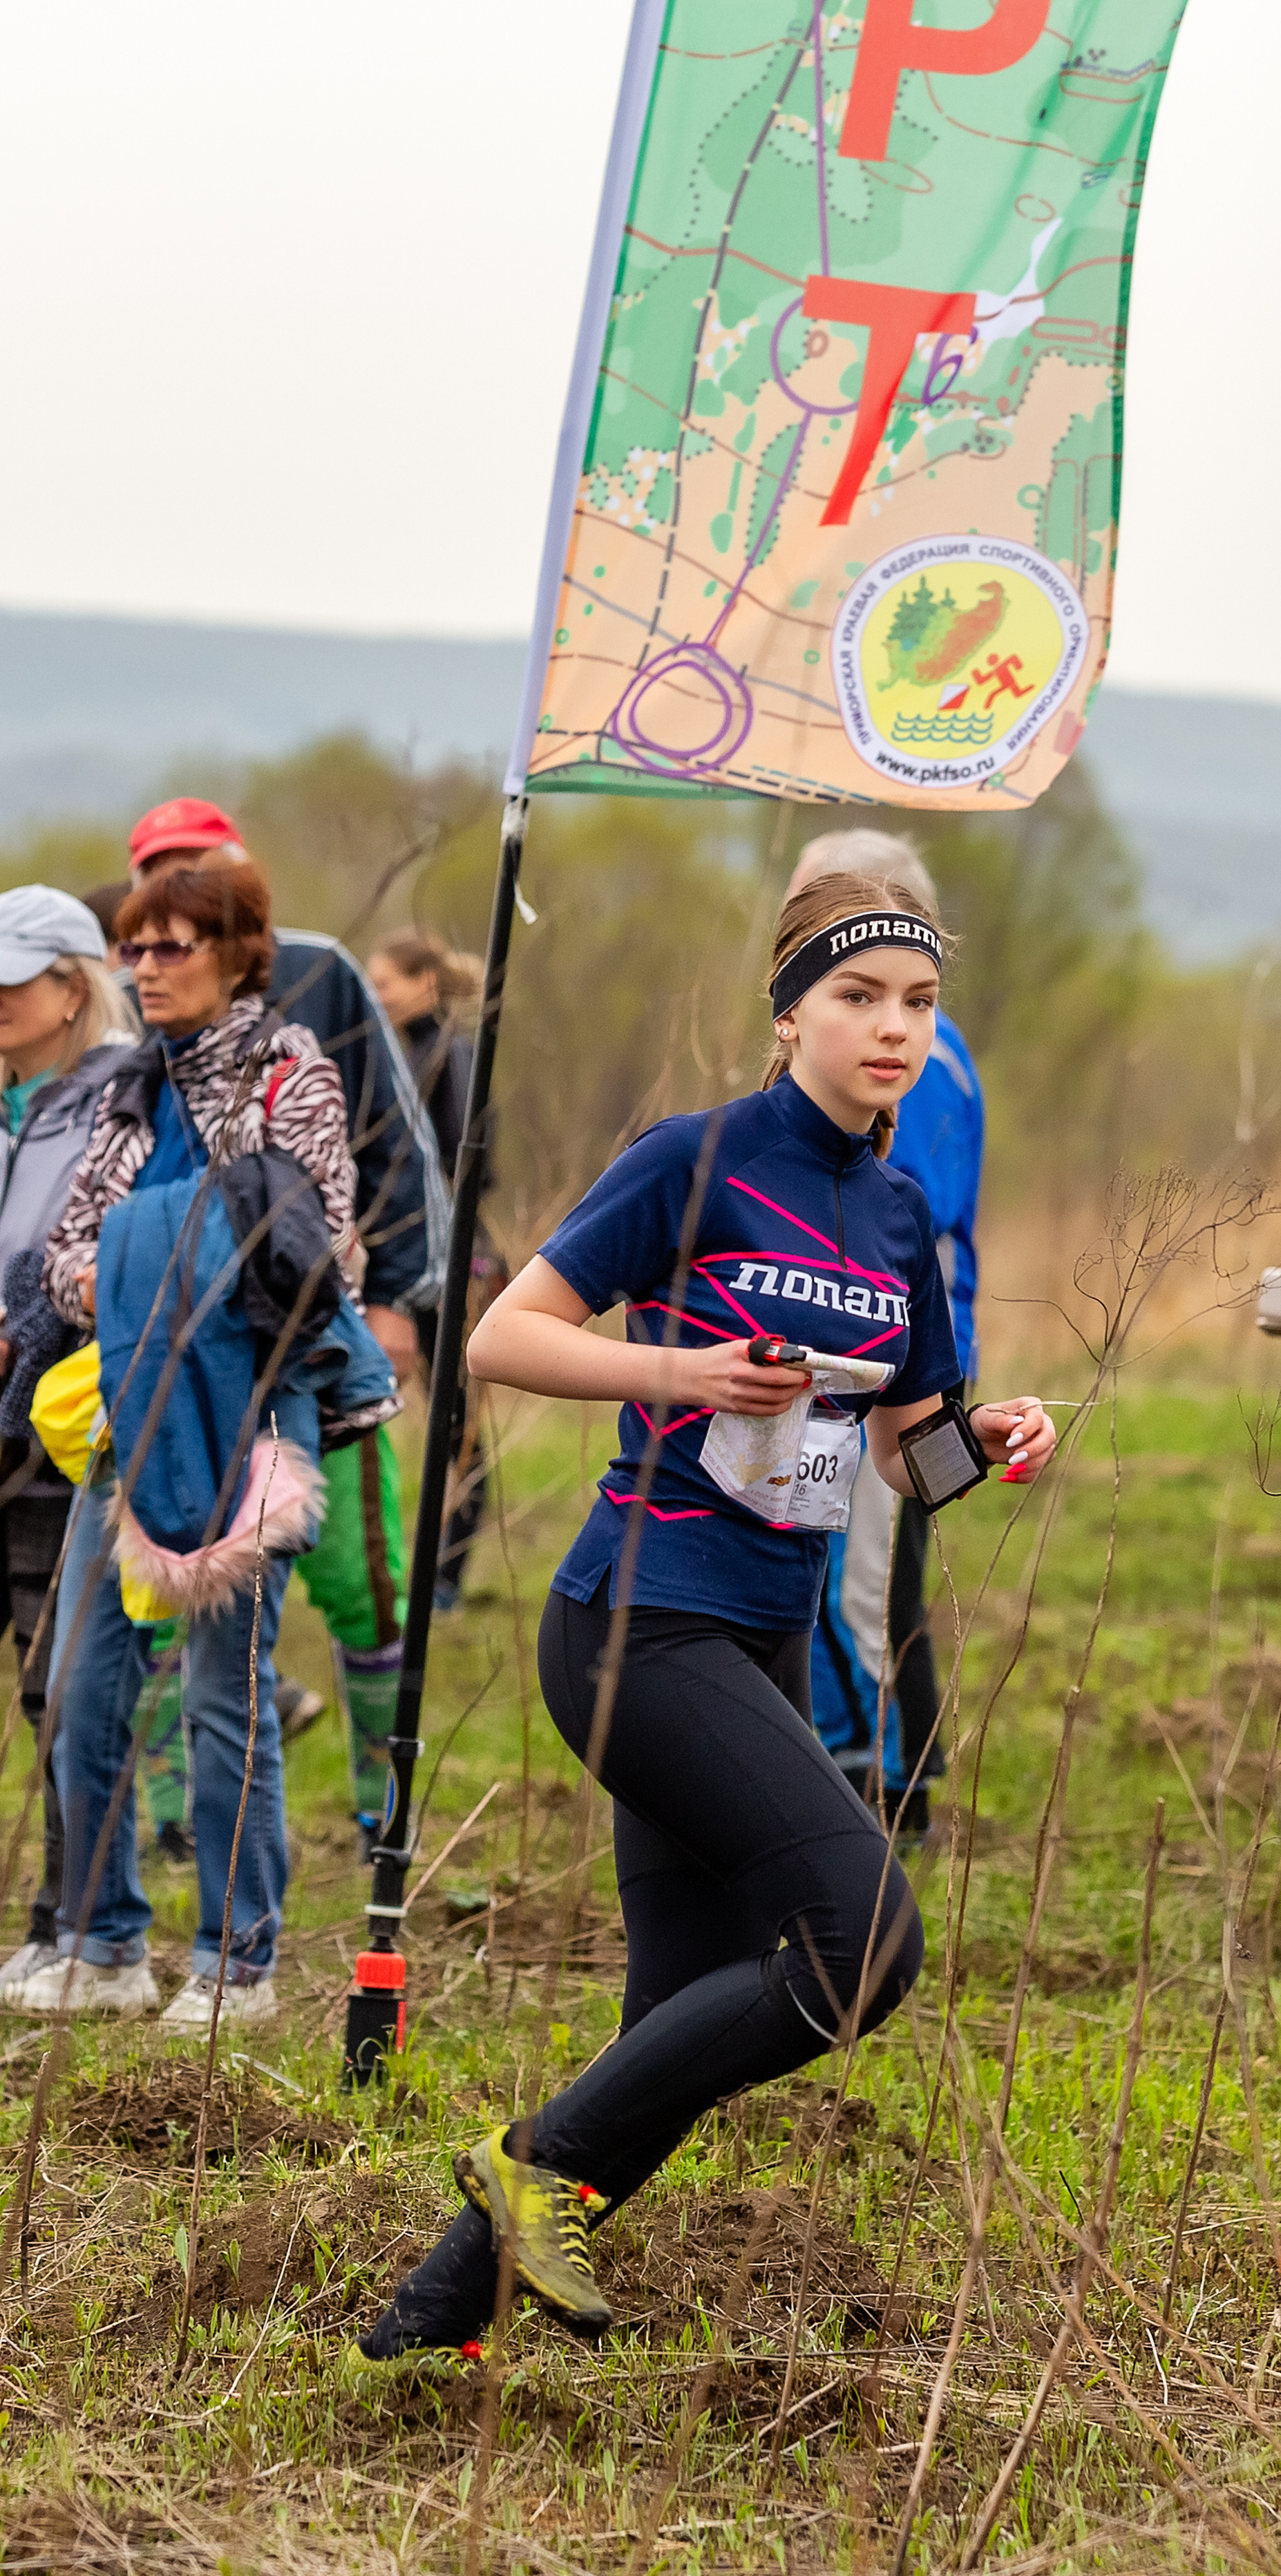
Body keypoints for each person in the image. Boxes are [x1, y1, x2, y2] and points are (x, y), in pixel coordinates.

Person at [350, 868, 1054, 2369]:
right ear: (789, 1008)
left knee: (673, 2020)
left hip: (760, 1639)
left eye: (918, 1005)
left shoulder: (897, 1211)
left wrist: (987, 1439)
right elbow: (500, 1337)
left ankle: (422, 2330)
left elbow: (904, 1451)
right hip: (635, 1624)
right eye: (858, 997)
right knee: (861, 1942)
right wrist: (687, 1376)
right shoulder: (698, 1160)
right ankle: (528, 2160)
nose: (891, 1029)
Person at [1, 853, 378, 2026]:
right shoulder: (133, 1085)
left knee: (228, 1690)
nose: (146, 967)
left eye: (172, 945)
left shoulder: (287, 1072)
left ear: (237, 954)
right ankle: (105, 1942)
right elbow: (67, 1255)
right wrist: (164, 1260)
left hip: (248, 1414)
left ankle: (236, 1959)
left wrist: (147, 1261)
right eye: (135, 946)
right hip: (126, 1411)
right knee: (81, 1682)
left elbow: (317, 1251)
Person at [125, 801, 449, 1847]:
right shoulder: (139, 997)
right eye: (156, 880)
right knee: (178, 1571)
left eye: (197, 874)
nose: (174, 911)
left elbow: (393, 1141)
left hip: (321, 1339)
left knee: (363, 1581)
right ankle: (179, 1817)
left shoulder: (318, 976)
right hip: (177, 1360)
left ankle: (381, 1811)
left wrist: (399, 1298)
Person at [788, 832, 985, 1831]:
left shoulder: (924, 1068)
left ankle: (888, 1791)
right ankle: (869, 1770)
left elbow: (916, 1220)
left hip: (894, 1366)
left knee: (867, 1586)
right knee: (852, 1580)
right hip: (836, 1364)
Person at [0, 889, 136, 1994]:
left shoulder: (118, 1103)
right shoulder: (10, 1099)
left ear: (76, 985)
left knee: (63, 1682)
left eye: (19, 975)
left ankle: (75, 1921)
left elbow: (101, 1260)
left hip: (62, 1425)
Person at [368, 926, 502, 1610]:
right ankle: (402, 1569)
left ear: (424, 983)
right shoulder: (392, 1053)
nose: (374, 994)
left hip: (454, 1263)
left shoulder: (450, 1055)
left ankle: (445, 1577)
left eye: (384, 982)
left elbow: (471, 1166)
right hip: (406, 1259)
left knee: (458, 1427)